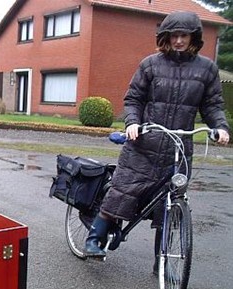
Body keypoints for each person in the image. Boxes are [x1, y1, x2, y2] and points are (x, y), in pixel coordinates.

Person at [84, 10, 230, 264]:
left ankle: (162, 262)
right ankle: (94, 240)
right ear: (166, 36)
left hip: (179, 149)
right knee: (122, 191)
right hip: (143, 144)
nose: (179, 41)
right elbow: (134, 99)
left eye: (184, 35)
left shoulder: (207, 69)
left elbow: (213, 105)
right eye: (173, 35)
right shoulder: (151, 64)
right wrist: (133, 123)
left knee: (170, 205)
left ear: (194, 37)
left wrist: (220, 126)